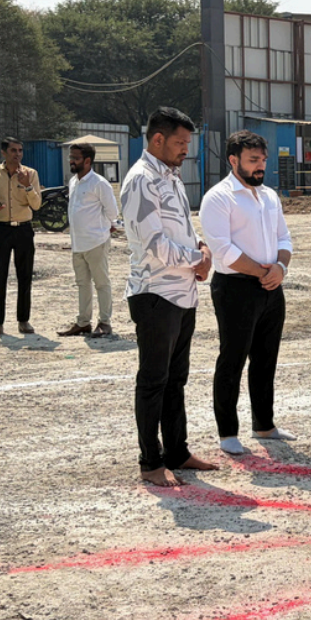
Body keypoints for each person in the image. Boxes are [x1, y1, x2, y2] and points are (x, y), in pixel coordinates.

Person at [121, 107, 218, 486]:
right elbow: (154, 245)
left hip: (183, 293)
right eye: (180, 143)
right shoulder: (141, 180)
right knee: (153, 380)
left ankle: (177, 451)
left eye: (187, 144)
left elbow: (181, 228)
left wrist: (201, 247)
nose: (185, 151)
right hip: (155, 294)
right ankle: (150, 461)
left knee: (176, 379)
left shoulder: (172, 178)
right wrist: (198, 258)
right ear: (157, 139)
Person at [200, 130, 294, 456]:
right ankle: (227, 433)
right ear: (233, 160)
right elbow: (223, 250)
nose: (260, 166)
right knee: (233, 359)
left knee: (266, 359)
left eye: (263, 160)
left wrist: (280, 268)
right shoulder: (218, 198)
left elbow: (285, 238)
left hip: (271, 286)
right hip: (235, 288)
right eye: (253, 160)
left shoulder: (269, 196)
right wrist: (264, 272)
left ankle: (264, 425)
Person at [0, 137, 42, 336]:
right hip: (1, 229)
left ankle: (23, 321)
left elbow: (36, 205)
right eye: (13, 151)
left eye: (20, 151)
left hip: (23, 230)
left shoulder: (30, 174)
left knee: (25, 276)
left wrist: (27, 186)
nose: (17, 155)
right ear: (3, 153)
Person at [58, 143, 118, 338]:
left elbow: (112, 212)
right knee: (82, 284)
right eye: (70, 157)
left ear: (87, 160)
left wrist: (104, 227)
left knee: (101, 283)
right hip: (78, 244)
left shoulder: (99, 183)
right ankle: (83, 322)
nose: (71, 161)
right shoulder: (74, 181)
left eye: (75, 157)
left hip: (96, 242)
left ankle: (104, 323)